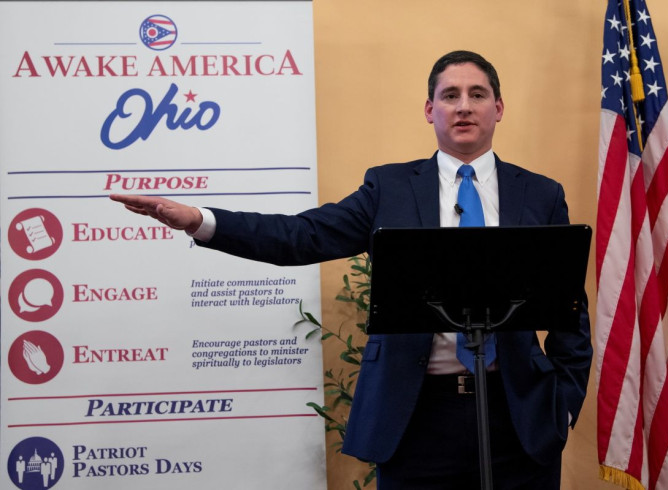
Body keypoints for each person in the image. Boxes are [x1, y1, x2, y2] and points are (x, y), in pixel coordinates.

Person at [111, 50, 592, 489]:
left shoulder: (540, 193)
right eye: (450, 95)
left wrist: (563, 406)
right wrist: (202, 221)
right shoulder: (390, 188)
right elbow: (302, 236)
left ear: (498, 108)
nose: (463, 106)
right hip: (415, 417)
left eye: (477, 95)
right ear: (430, 111)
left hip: (519, 416)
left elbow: (570, 308)